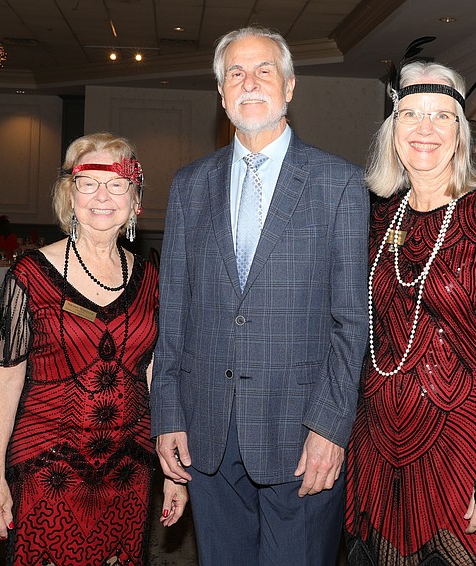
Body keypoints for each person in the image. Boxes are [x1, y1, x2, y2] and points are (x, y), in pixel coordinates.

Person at [151, 26, 369, 566]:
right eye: (235, 74)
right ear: (222, 94)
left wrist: (330, 427)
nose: (249, 84)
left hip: (301, 438)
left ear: (290, 86)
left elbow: (351, 322)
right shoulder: (188, 185)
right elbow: (172, 313)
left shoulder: (338, 183)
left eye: (264, 70)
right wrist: (167, 414)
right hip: (207, 432)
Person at [344, 61, 476, 565]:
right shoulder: (374, 218)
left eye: (441, 115)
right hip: (375, 445)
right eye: (410, 114)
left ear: (460, 133)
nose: (424, 129)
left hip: (463, 450)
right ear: (392, 130)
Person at [0, 132, 188, 565]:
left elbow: (156, 373)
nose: (102, 196)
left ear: (135, 202)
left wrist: (173, 469)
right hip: (48, 465)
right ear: (69, 197)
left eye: (117, 185)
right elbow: (5, 378)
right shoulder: (31, 274)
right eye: (87, 183)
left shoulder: (151, 278)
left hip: (131, 464)